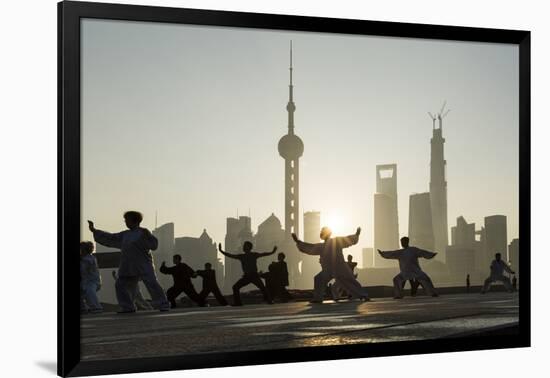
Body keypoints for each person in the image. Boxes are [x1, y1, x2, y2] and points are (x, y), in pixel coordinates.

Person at [89, 211, 170, 313]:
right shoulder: (125, 234)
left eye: (127, 220)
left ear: (134, 221)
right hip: (127, 264)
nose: (125, 222)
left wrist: (148, 237)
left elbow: (154, 245)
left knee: (152, 283)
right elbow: (111, 237)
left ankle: (163, 304)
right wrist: (95, 231)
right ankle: (127, 306)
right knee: (121, 284)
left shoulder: (143, 232)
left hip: (143, 263)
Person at [292, 227, 369, 303]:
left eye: (322, 232)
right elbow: (311, 247)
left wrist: (356, 234)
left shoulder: (336, 242)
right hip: (329, 269)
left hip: (340, 268)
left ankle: (363, 295)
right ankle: (318, 298)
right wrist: (298, 241)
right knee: (319, 279)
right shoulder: (322, 246)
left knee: (349, 281)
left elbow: (348, 240)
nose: (321, 234)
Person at [218, 241, 275, 306]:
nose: (243, 247)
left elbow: (264, 254)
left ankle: (269, 301)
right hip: (247, 276)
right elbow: (230, 255)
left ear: (249, 247)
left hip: (254, 275)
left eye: (245, 245)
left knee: (262, 288)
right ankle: (238, 303)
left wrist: (272, 252)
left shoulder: (253, 255)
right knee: (235, 287)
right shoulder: (242, 256)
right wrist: (221, 251)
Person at [80, 241, 103, 314]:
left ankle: (96, 307)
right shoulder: (85, 258)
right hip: (85, 281)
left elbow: (85, 265)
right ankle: (83, 308)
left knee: (90, 291)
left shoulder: (90, 258)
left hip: (92, 281)